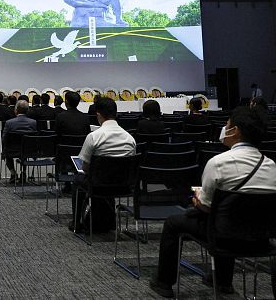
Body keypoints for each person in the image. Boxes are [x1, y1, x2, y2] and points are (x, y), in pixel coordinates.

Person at [149, 107, 276, 298]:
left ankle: (164, 282)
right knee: (230, 215)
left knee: (174, 222)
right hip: (261, 239)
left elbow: (206, 206)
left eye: (227, 125)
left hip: (223, 237)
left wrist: (197, 199)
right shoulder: (272, 165)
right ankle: (223, 282)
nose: (224, 128)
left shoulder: (218, 162)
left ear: (235, 131)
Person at [70, 96, 136, 232]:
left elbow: (85, 167)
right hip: (124, 186)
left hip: (98, 185)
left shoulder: (94, 136)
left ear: (98, 115)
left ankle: (76, 222)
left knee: (78, 180)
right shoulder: (130, 139)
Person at [1, 100, 38, 182]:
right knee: (24, 153)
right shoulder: (33, 122)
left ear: (16, 110)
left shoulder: (9, 123)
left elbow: (4, 138)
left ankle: (13, 174)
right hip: (28, 150)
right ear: (27, 110)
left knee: (6, 153)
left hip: (11, 150)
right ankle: (23, 172)